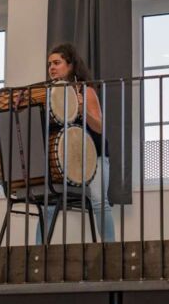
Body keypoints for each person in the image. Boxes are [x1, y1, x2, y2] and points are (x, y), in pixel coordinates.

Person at [37, 43, 115, 243]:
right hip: (65, 162)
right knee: (49, 203)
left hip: (94, 156)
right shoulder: (49, 94)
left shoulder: (85, 90)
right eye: (49, 64)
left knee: (98, 200)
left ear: (70, 65)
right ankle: (38, 252)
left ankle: (111, 249)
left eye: (57, 63)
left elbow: (100, 127)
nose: (52, 68)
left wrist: (82, 110)